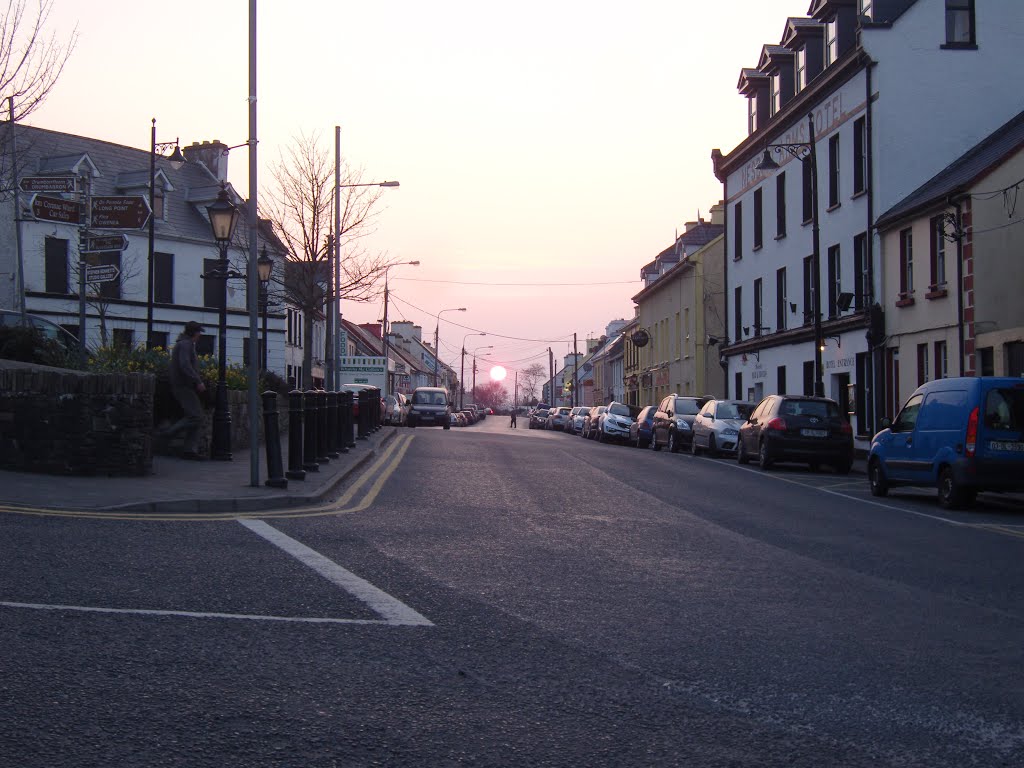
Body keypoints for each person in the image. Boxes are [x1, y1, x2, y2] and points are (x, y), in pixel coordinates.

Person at [163, 321, 206, 460]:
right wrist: (198, 381)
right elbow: (185, 365)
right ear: (194, 332)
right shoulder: (185, 344)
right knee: (196, 416)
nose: (200, 335)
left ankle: (189, 450)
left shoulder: (184, 344)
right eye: (199, 332)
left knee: (196, 416)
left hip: (184, 385)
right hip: (183, 386)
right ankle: (167, 434)